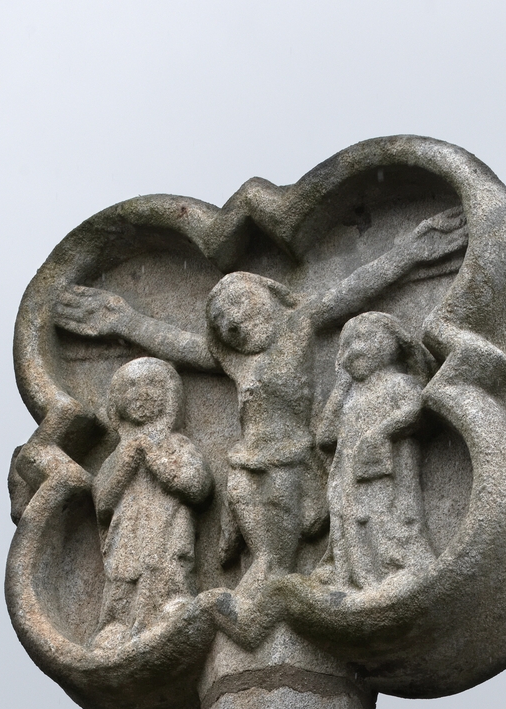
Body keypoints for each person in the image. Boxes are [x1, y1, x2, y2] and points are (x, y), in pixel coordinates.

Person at [55, 209, 465, 585]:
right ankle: (264, 586)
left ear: (268, 296)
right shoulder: (234, 361)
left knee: (284, 552)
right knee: (262, 554)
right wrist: (126, 321)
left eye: (238, 302)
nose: (231, 319)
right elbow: (181, 345)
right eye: (220, 318)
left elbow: (349, 290)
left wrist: (411, 253)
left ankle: (294, 586)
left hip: (290, 456)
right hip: (245, 463)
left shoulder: (297, 328)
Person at [92, 356, 212, 633]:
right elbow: (103, 505)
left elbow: (197, 486)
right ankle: (117, 624)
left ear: (170, 396)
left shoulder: (176, 444)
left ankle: (170, 605)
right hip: (126, 534)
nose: (141, 394)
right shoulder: (116, 457)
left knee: (166, 569)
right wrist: (126, 466)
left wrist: (155, 460)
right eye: (131, 386)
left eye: (152, 385)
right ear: (116, 401)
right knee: (122, 578)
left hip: (168, 529)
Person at [315, 311, 435, 589]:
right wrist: (341, 386)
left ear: (394, 343)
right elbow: (325, 435)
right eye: (347, 344)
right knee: (353, 522)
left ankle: (403, 568)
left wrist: (382, 431)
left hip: (390, 472)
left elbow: (415, 411)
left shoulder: (400, 383)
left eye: (366, 339)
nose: (355, 350)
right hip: (348, 477)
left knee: (390, 518)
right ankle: (357, 577)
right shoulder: (350, 396)